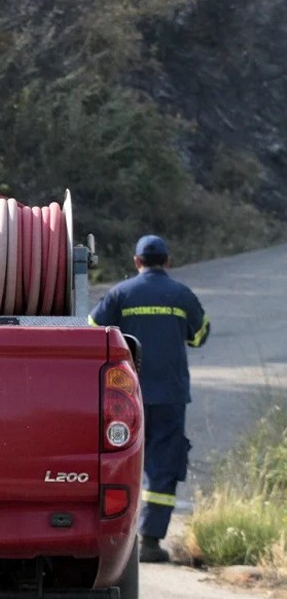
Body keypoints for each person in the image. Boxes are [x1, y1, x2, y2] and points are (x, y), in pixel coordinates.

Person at [89, 235, 210, 563]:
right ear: (167, 261)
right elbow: (200, 335)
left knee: (116, 461)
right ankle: (151, 542)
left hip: (124, 396)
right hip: (169, 396)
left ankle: (110, 539)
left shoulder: (121, 294)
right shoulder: (181, 295)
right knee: (163, 467)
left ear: (136, 262)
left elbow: (90, 330)